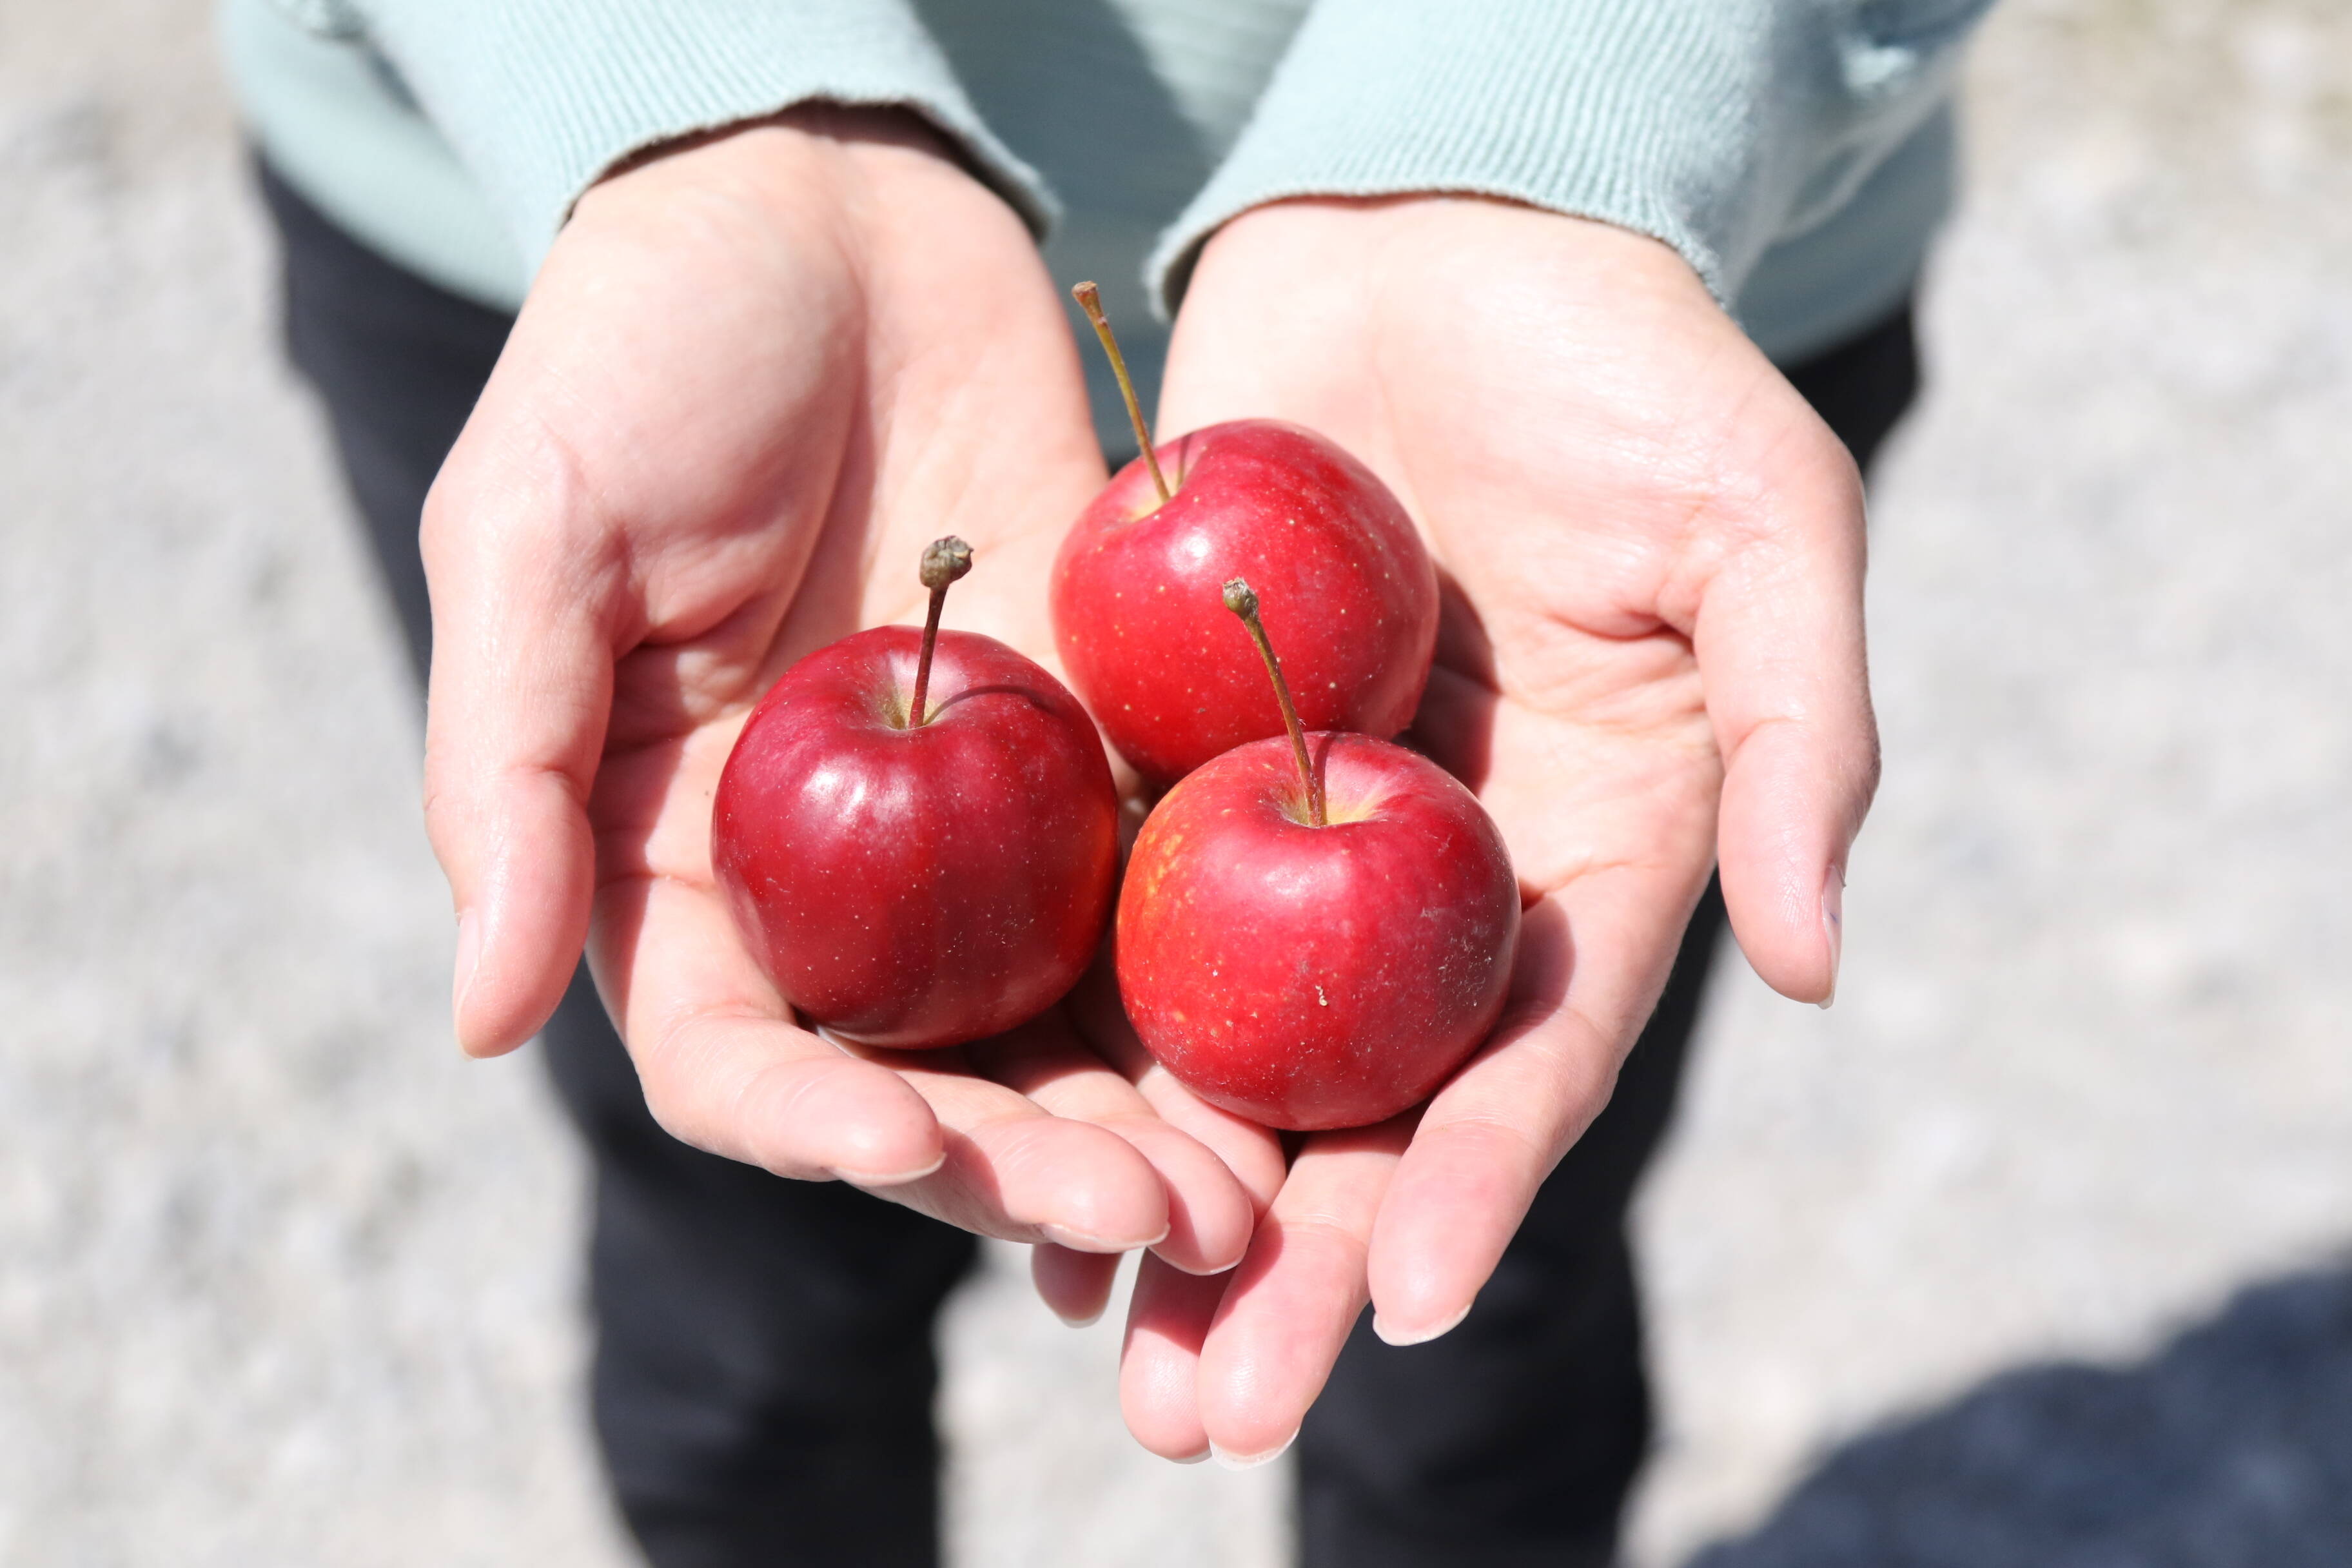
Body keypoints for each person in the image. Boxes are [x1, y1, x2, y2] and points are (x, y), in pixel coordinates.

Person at [222, 1, 1990, 1562]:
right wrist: (679, 97)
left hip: (1605, 284)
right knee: (743, 1274)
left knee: (1473, 1291)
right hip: (604, 247)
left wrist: (1560, 117)